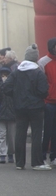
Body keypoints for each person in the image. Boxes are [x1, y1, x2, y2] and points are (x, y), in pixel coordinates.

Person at [4, 44, 51, 171]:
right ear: (36, 58)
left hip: (19, 107)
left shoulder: (16, 72)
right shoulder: (38, 73)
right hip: (36, 108)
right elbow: (44, 91)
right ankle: (36, 162)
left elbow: (6, 87)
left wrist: (15, 96)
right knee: (36, 134)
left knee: (20, 134)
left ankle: (19, 162)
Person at [38, 37, 56, 165]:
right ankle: (43, 156)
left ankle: (54, 157)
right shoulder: (43, 62)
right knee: (47, 130)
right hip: (48, 101)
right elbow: (40, 83)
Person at [0, 66, 16, 164]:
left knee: (11, 136)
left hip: (11, 113)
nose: (4, 77)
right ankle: (2, 154)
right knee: (1, 134)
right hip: (0, 113)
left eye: (6, 75)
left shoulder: (14, 86)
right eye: (2, 75)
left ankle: (10, 153)